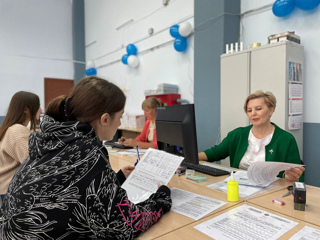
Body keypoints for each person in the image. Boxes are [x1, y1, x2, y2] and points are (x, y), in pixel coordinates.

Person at [0, 77, 171, 239]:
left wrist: (115, 179)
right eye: (119, 116)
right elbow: (125, 224)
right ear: (105, 119)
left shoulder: (53, 140)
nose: (119, 123)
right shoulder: (89, 153)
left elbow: (74, 188)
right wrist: (161, 198)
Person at [198, 90, 305, 182]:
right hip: (239, 187)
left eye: (258, 109)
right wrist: (189, 157)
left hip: (271, 193)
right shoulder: (237, 134)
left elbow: (298, 176)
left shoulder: (286, 139)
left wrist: (291, 177)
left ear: (271, 110)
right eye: (249, 110)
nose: (253, 113)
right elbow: (215, 153)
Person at [0, 91, 41, 200]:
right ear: (26, 109)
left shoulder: (12, 128)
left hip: (8, 190)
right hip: (14, 191)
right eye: (37, 106)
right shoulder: (17, 130)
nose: (40, 110)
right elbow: (32, 161)